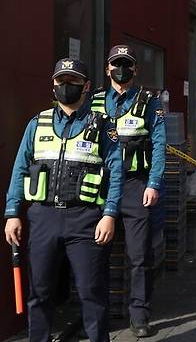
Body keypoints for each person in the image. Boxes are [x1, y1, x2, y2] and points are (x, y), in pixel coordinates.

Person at [4, 58, 123, 342]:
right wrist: (12, 212)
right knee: (40, 292)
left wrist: (109, 213)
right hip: (43, 218)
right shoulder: (37, 124)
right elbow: (20, 168)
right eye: (61, 81)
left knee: (91, 293)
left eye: (73, 82)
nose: (66, 87)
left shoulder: (103, 126)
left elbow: (116, 171)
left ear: (86, 87)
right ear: (53, 84)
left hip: (86, 220)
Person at [90, 45, 166, 337]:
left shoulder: (148, 101)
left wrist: (154, 183)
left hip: (136, 185)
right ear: (108, 69)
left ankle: (139, 316)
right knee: (96, 255)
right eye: (116, 64)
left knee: (139, 256)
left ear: (135, 69)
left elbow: (160, 143)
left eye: (127, 64)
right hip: (100, 183)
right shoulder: (94, 100)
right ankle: (100, 314)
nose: (121, 69)